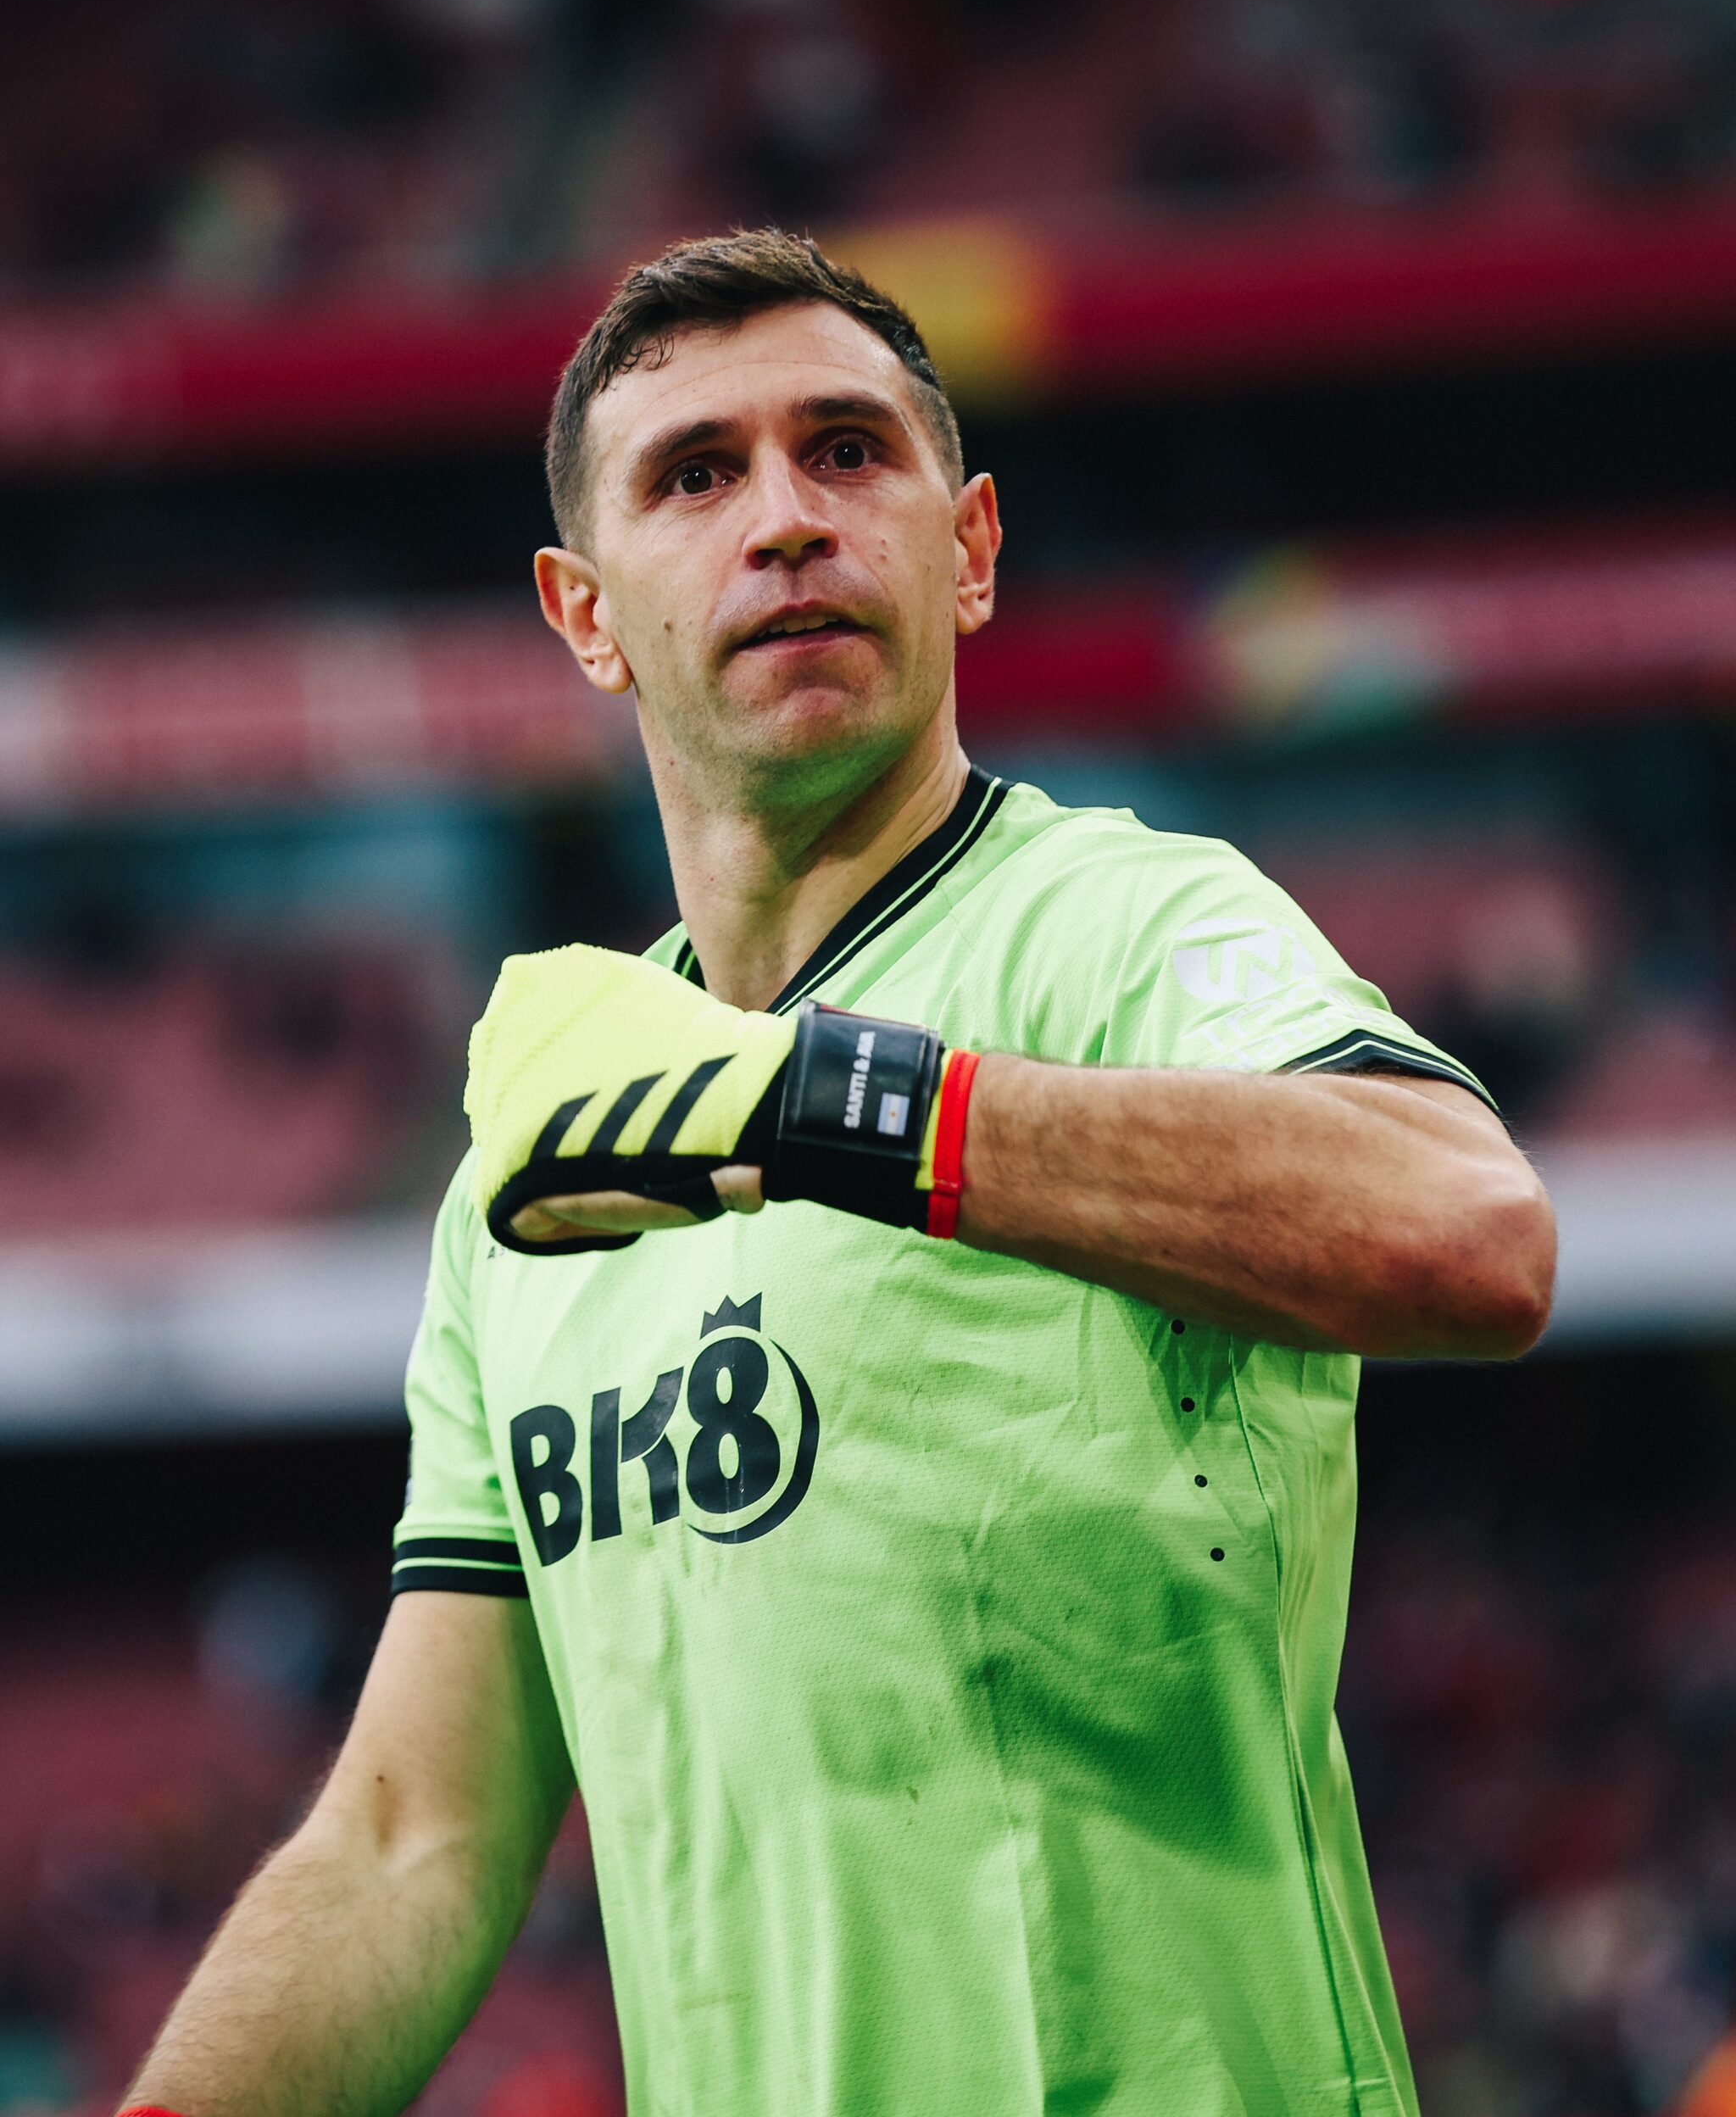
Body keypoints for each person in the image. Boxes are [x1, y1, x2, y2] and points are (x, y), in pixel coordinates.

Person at [119, 230, 1555, 2117]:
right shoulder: (536, 1171)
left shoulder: (1123, 921)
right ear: (585, 612)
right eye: (695, 475)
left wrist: (821, 1103)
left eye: (847, 451)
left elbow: (1467, 1231)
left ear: (966, 550)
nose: (784, 518)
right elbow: (410, 1839)